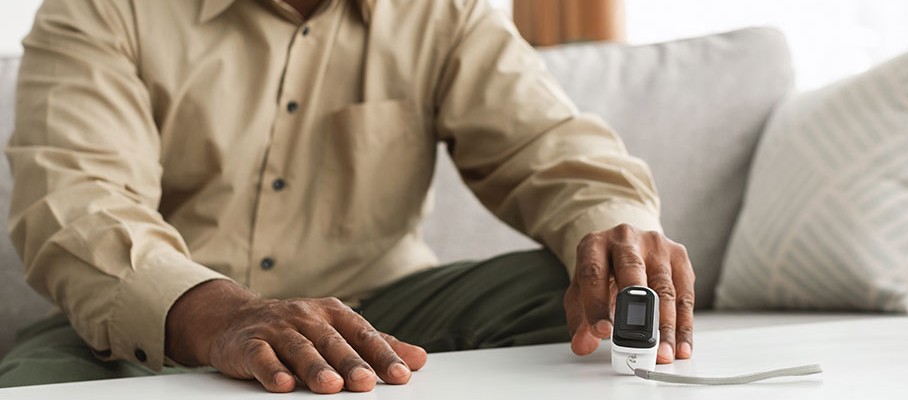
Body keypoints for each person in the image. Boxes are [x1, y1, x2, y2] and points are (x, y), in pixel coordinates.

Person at [0, 0, 695, 393]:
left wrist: (616, 229)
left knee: (574, 286)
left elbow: (547, 145)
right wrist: (223, 316)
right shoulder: (98, 9)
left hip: (384, 310)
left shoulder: (445, 11)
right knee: (34, 383)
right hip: (178, 317)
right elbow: (80, 203)